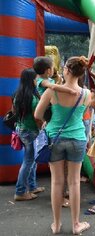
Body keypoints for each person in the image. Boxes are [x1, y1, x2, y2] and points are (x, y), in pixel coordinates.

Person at [34, 56, 91, 235]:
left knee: (57, 182)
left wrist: (49, 123)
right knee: (74, 182)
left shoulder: (52, 92)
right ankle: (76, 225)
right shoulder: (86, 94)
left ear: (66, 70)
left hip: (55, 139)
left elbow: (38, 114)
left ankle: (57, 224)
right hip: (77, 139)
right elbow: (82, 114)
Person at [13, 68, 45, 201]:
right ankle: (20, 191)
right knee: (29, 161)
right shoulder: (32, 98)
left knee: (31, 160)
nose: (37, 81)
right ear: (32, 80)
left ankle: (32, 187)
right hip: (31, 131)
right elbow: (37, 118)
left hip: (21, 130)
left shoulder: (17, 95)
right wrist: (42, 129)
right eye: (36, 79)